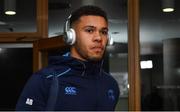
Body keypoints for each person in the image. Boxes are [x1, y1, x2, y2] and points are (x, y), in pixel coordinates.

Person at [16, 5, 120, 111]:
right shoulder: (45, 80)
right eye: (89, 30)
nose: (98, 38)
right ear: (71, 36)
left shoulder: (111, 84)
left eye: (103, 32)